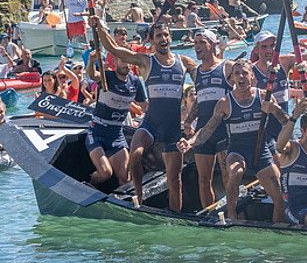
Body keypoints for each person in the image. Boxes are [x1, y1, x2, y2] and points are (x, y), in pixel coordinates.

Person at [92, 20, 197, 210]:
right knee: (136, 154)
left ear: (170, 38)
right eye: (159, 36)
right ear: (153, 41)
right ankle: (139, 198)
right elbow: (113, 49)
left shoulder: (184, 62)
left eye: (166, 35)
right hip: (151, 124)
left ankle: (175, 217)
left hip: (172, 129)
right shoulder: (146, 61)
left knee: (175, 180)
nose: (163, 39)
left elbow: (205, 81)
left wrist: (190, 120)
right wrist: (100, 27)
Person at [180, 58, 287, 221]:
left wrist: (276, 109)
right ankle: (232, 215)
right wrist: (189, 142)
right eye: (237, 73)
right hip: (237, 152)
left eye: (245, 73)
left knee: (279, 199)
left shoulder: (265, 96)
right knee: (236, 171)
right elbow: (207, 130)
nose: (241, 77)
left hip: (261, 152)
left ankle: (278, 228)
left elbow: (286, 123)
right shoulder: (224, 103)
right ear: (233, 79)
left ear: (252, 76)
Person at [84, 49, 146, 188]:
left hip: (116, 134)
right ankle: (89, 184)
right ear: (115, 62)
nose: (126, 64)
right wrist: (92, 61)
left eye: (129, 61)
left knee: (126, 178)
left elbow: (145, 106)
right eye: (123, 60)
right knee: (105, 173)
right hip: (97, 131)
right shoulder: (107, 77)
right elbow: (93, 75)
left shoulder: (135, 82)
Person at [185, 28, 232, 211]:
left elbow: (246, 80)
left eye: (202, 43)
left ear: (212, 45)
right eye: (195, 43)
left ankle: (231, 212)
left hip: (224, 130)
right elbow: (199, 100)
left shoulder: (226, 67)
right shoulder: (198, 72)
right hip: (203, 132)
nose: (197, 47)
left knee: (228, 176)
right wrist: (188, 121)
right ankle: (210, 214)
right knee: (204, 179)